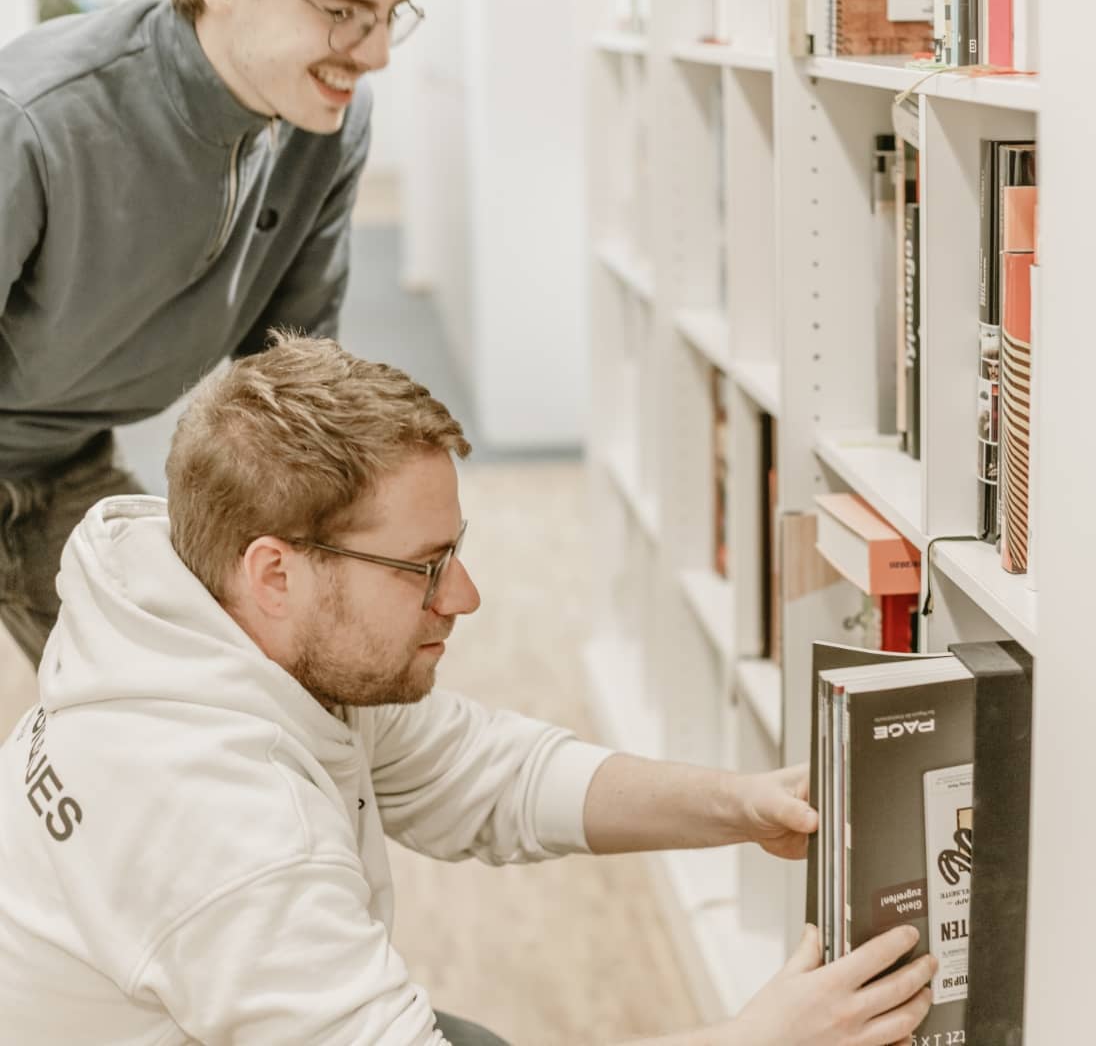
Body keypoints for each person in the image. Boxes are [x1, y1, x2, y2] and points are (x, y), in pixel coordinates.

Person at [0, 333, 935, 1045]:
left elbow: (483, 772)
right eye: (424, 565)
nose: (466, 596)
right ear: (276, 572)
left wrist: (734, 803)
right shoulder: (225, 831)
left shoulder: (197, 619)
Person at [0, 0, 447, 673]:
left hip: (66, 458)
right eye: (340, 12)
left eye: (388, 15)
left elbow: (289, 377)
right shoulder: (33, 116)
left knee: (208, 696)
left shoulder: (327, 123)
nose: (377, 54)